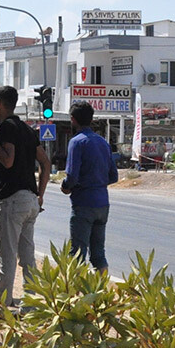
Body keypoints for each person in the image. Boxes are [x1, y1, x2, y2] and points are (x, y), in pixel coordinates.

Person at [0, 86, 51, 305]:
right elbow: (45, 163)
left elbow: (6, 161)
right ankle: (32, 306)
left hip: (13, 200)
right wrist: (40, 195)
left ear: (0, 103)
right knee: (28, 257)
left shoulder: (7, 127)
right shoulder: (27, 129)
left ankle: (3, 307)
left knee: (8, 256)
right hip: (30, 200)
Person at [61, 101, 119, 272]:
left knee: (77, 254)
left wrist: (66, 187)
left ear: (73, 120)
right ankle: (101, 293)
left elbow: (71, 176)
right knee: (99, 254)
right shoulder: (102, 142)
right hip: (102, 203)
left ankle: (75, 295)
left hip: (83, 204)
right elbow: (113, 176)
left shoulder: (76, 142)